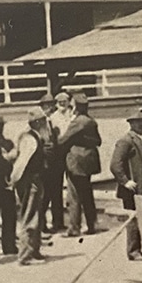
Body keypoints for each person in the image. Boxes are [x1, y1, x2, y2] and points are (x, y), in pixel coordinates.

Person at [111, 108, 142, 261]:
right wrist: (125, 181)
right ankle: (133, 251)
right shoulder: (126, 141)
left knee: (141, 218)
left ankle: (140, 248)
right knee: (133, 220)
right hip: (131, 189)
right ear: (131, 123)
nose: (141, 124)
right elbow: (115, 164)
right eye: (137, 122)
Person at [58, 92, 102, 235]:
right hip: (89, 161)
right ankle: (91, 224)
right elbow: (98, 141)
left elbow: (63, 140)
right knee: (87, 193)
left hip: (76, 162)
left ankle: (74, 227)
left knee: (74, 195)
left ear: (75, 106)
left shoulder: (78, 122)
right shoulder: (91, 121)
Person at [12, 108, 49, 265]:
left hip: (36, 180)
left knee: (37, 216)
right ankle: (25, 256)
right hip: (29, 182)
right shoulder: (30, 139)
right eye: (44, 120)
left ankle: (35, 250)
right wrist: (14, 181)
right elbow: (21, 163)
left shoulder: (36, 136)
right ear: (38, 122)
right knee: (30, 217)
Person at [0, 116, 19, 255]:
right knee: (8, 215)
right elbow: (13, 159)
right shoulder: (8, 143)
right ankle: (9, 246)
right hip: (5, 183)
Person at [42, 91, 72, 233]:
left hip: (56, 161)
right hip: (47, 164)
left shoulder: (52, 120)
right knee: (46, 194)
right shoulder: (43, 123)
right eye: (45, 106)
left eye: (50, 105)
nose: (48, 108)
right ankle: (42, 225)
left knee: (56, 193)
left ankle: (58, 222)